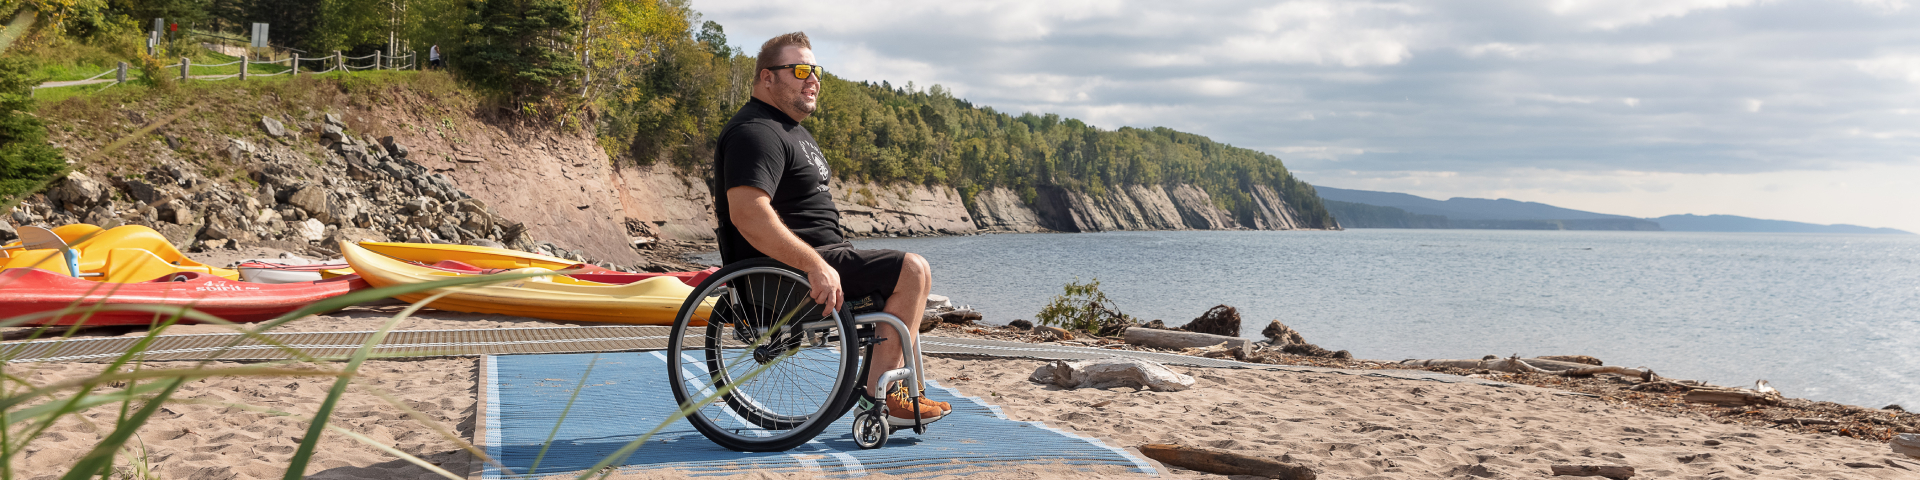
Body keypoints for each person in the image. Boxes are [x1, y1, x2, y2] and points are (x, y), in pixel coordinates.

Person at [712, 31, 949, 426]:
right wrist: (814, 266)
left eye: (816, 70)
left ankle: (896, 391)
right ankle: (881, 400)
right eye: (800, 70)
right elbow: (748, 215)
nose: (813, 79)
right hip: (791, 274)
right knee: (912, 269)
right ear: (767, 78)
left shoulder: (789, 129)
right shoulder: (755, 132)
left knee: (913, 278)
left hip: (823, 257)